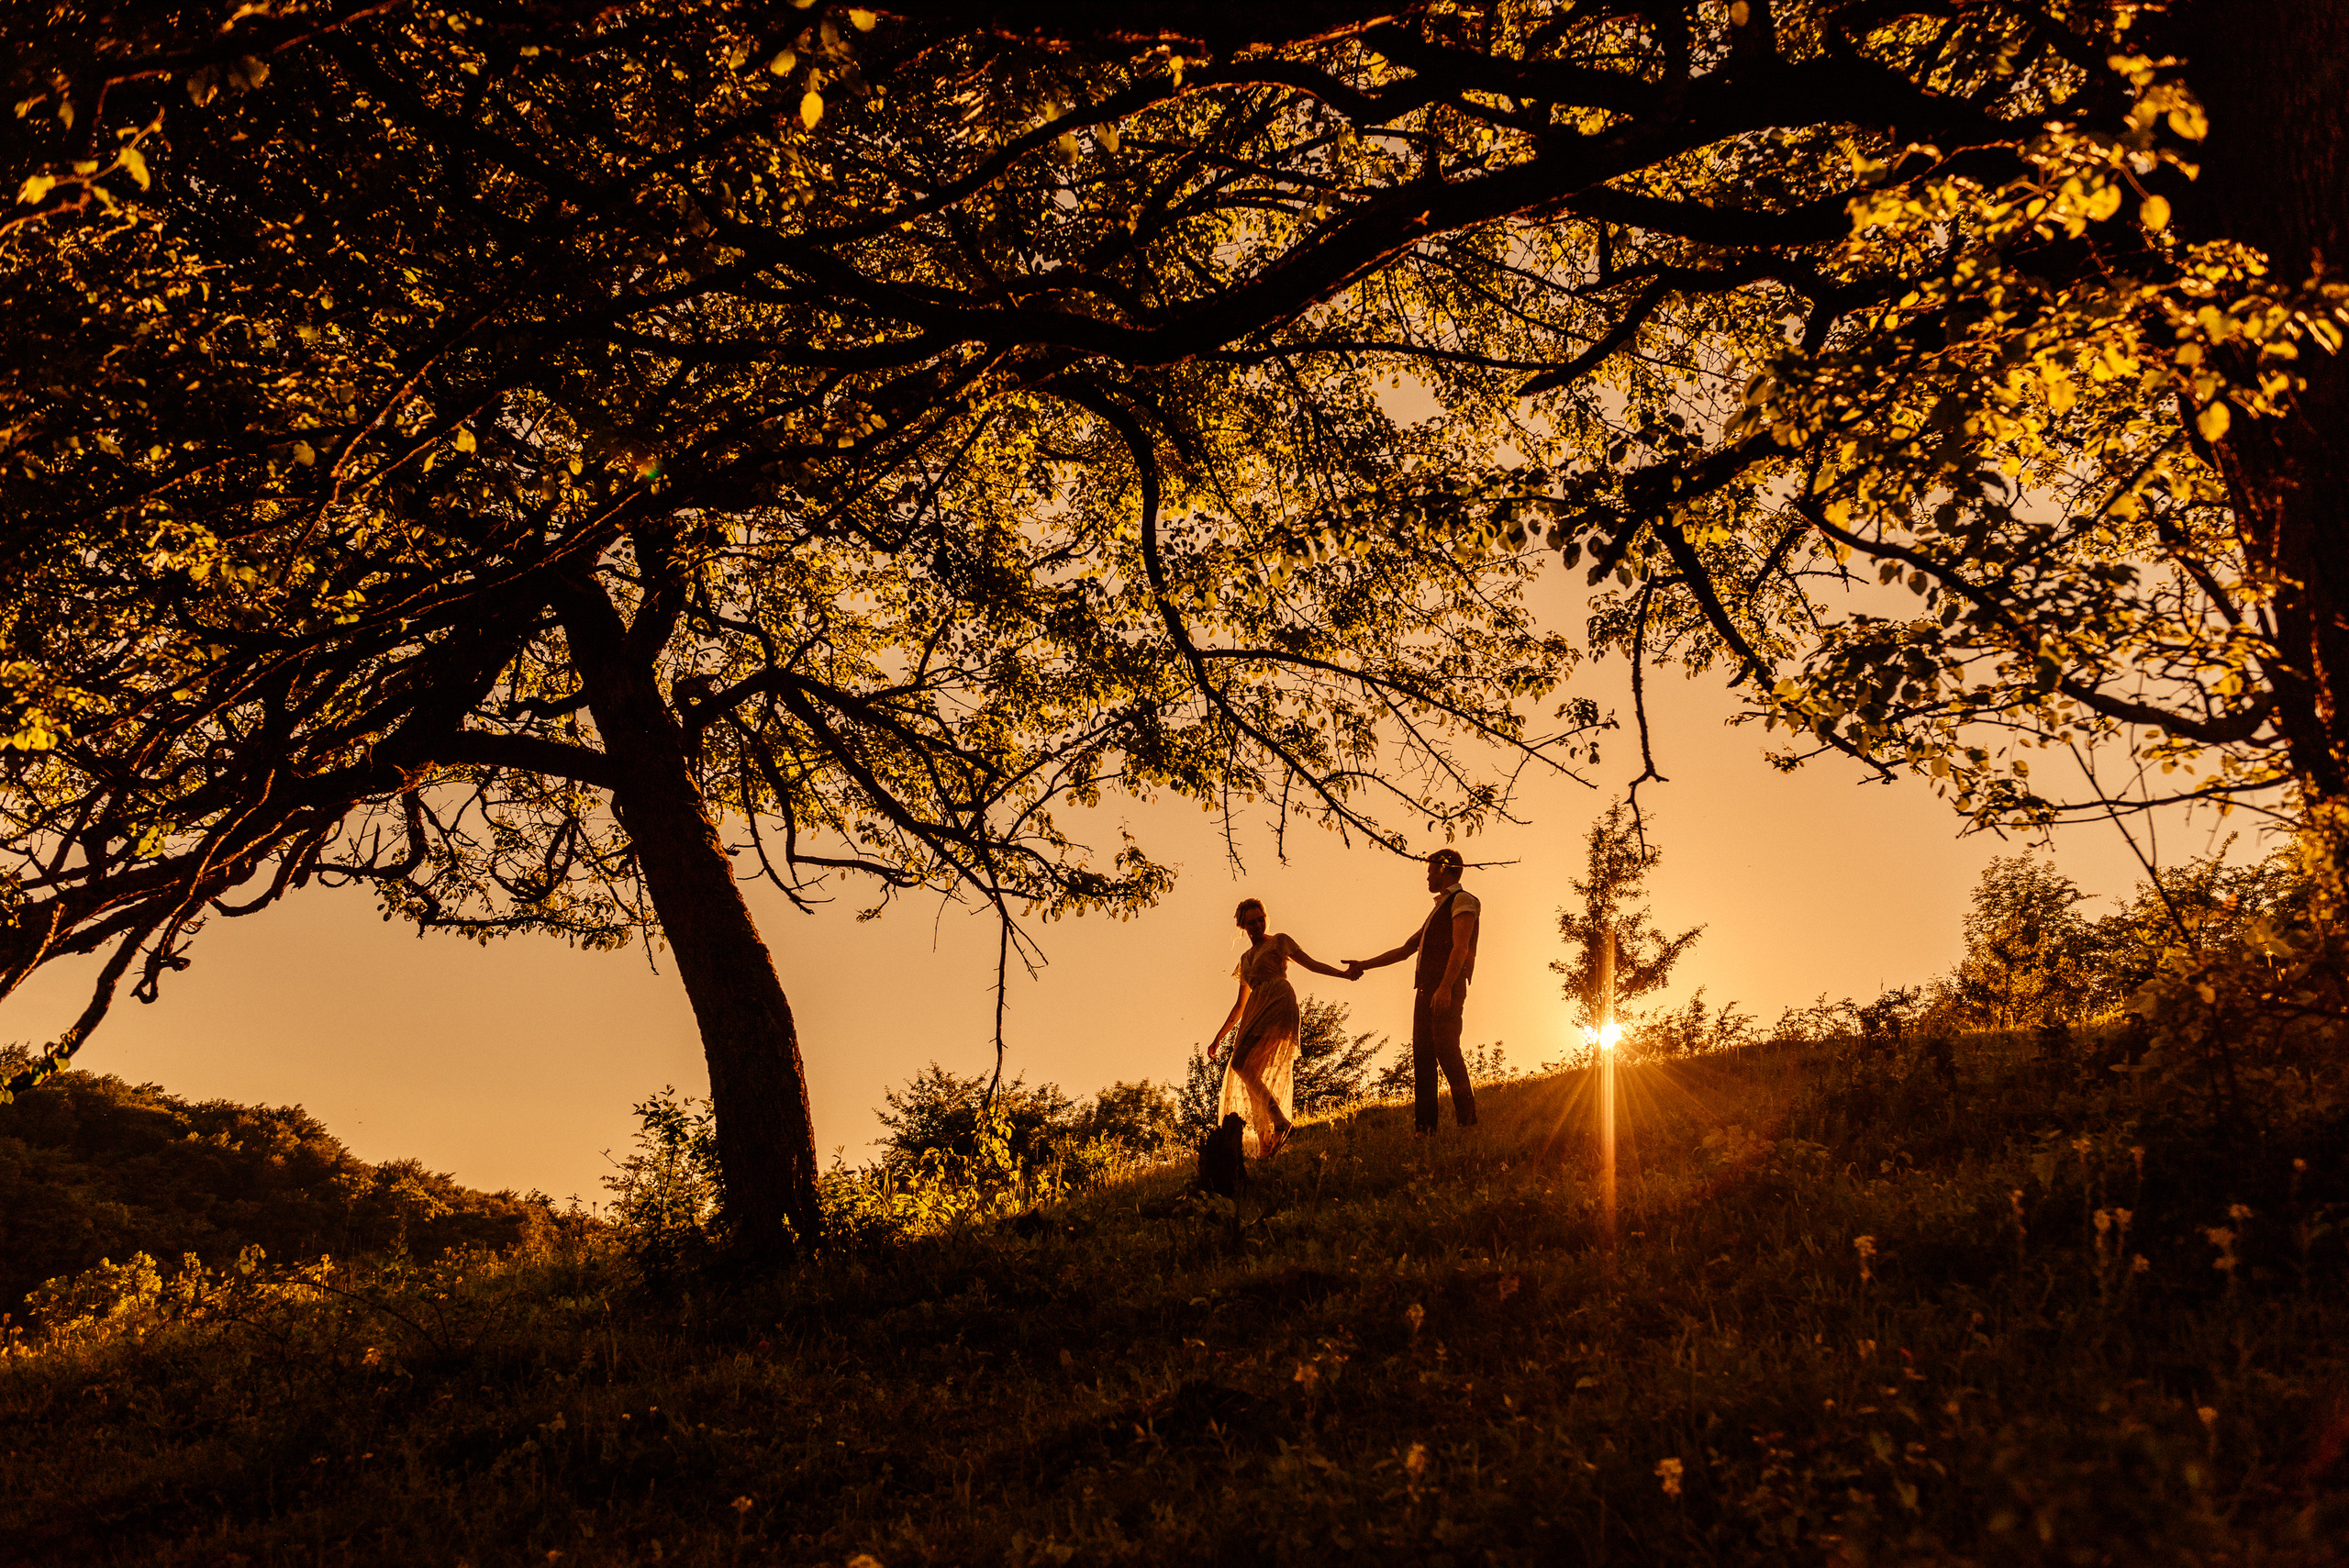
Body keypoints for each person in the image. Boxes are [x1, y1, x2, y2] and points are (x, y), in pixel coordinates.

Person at [1347, 850, 1481, 1136]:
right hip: (1425, 991)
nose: (1428, 877)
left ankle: (1468, 1122)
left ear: (1444, 869)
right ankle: (1425, 1128)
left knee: (1447, 1051)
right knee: (1422, 1057)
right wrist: (1363, 965)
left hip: (1445, 989)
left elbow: (1461, 947)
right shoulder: (1436, 911)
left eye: (1430, 871)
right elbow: (1406, 949)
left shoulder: (1463, 900)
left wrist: (1445, 987)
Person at [1208, 898, 1355, 1158]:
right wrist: (1219, 1037)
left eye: (1261, 919)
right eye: (1251, 922)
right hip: (1254, 1008)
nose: (1257, 925)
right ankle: (1267, 1143)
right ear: (1242, 926)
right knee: (1249, 1071)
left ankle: (1279, 1120)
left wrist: (1341, 974)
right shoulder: (1245, 959)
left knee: (1241, 1063)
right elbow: (1239, 1004)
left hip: (1278, 999)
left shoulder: (1279, 941)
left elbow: (1312, 964)